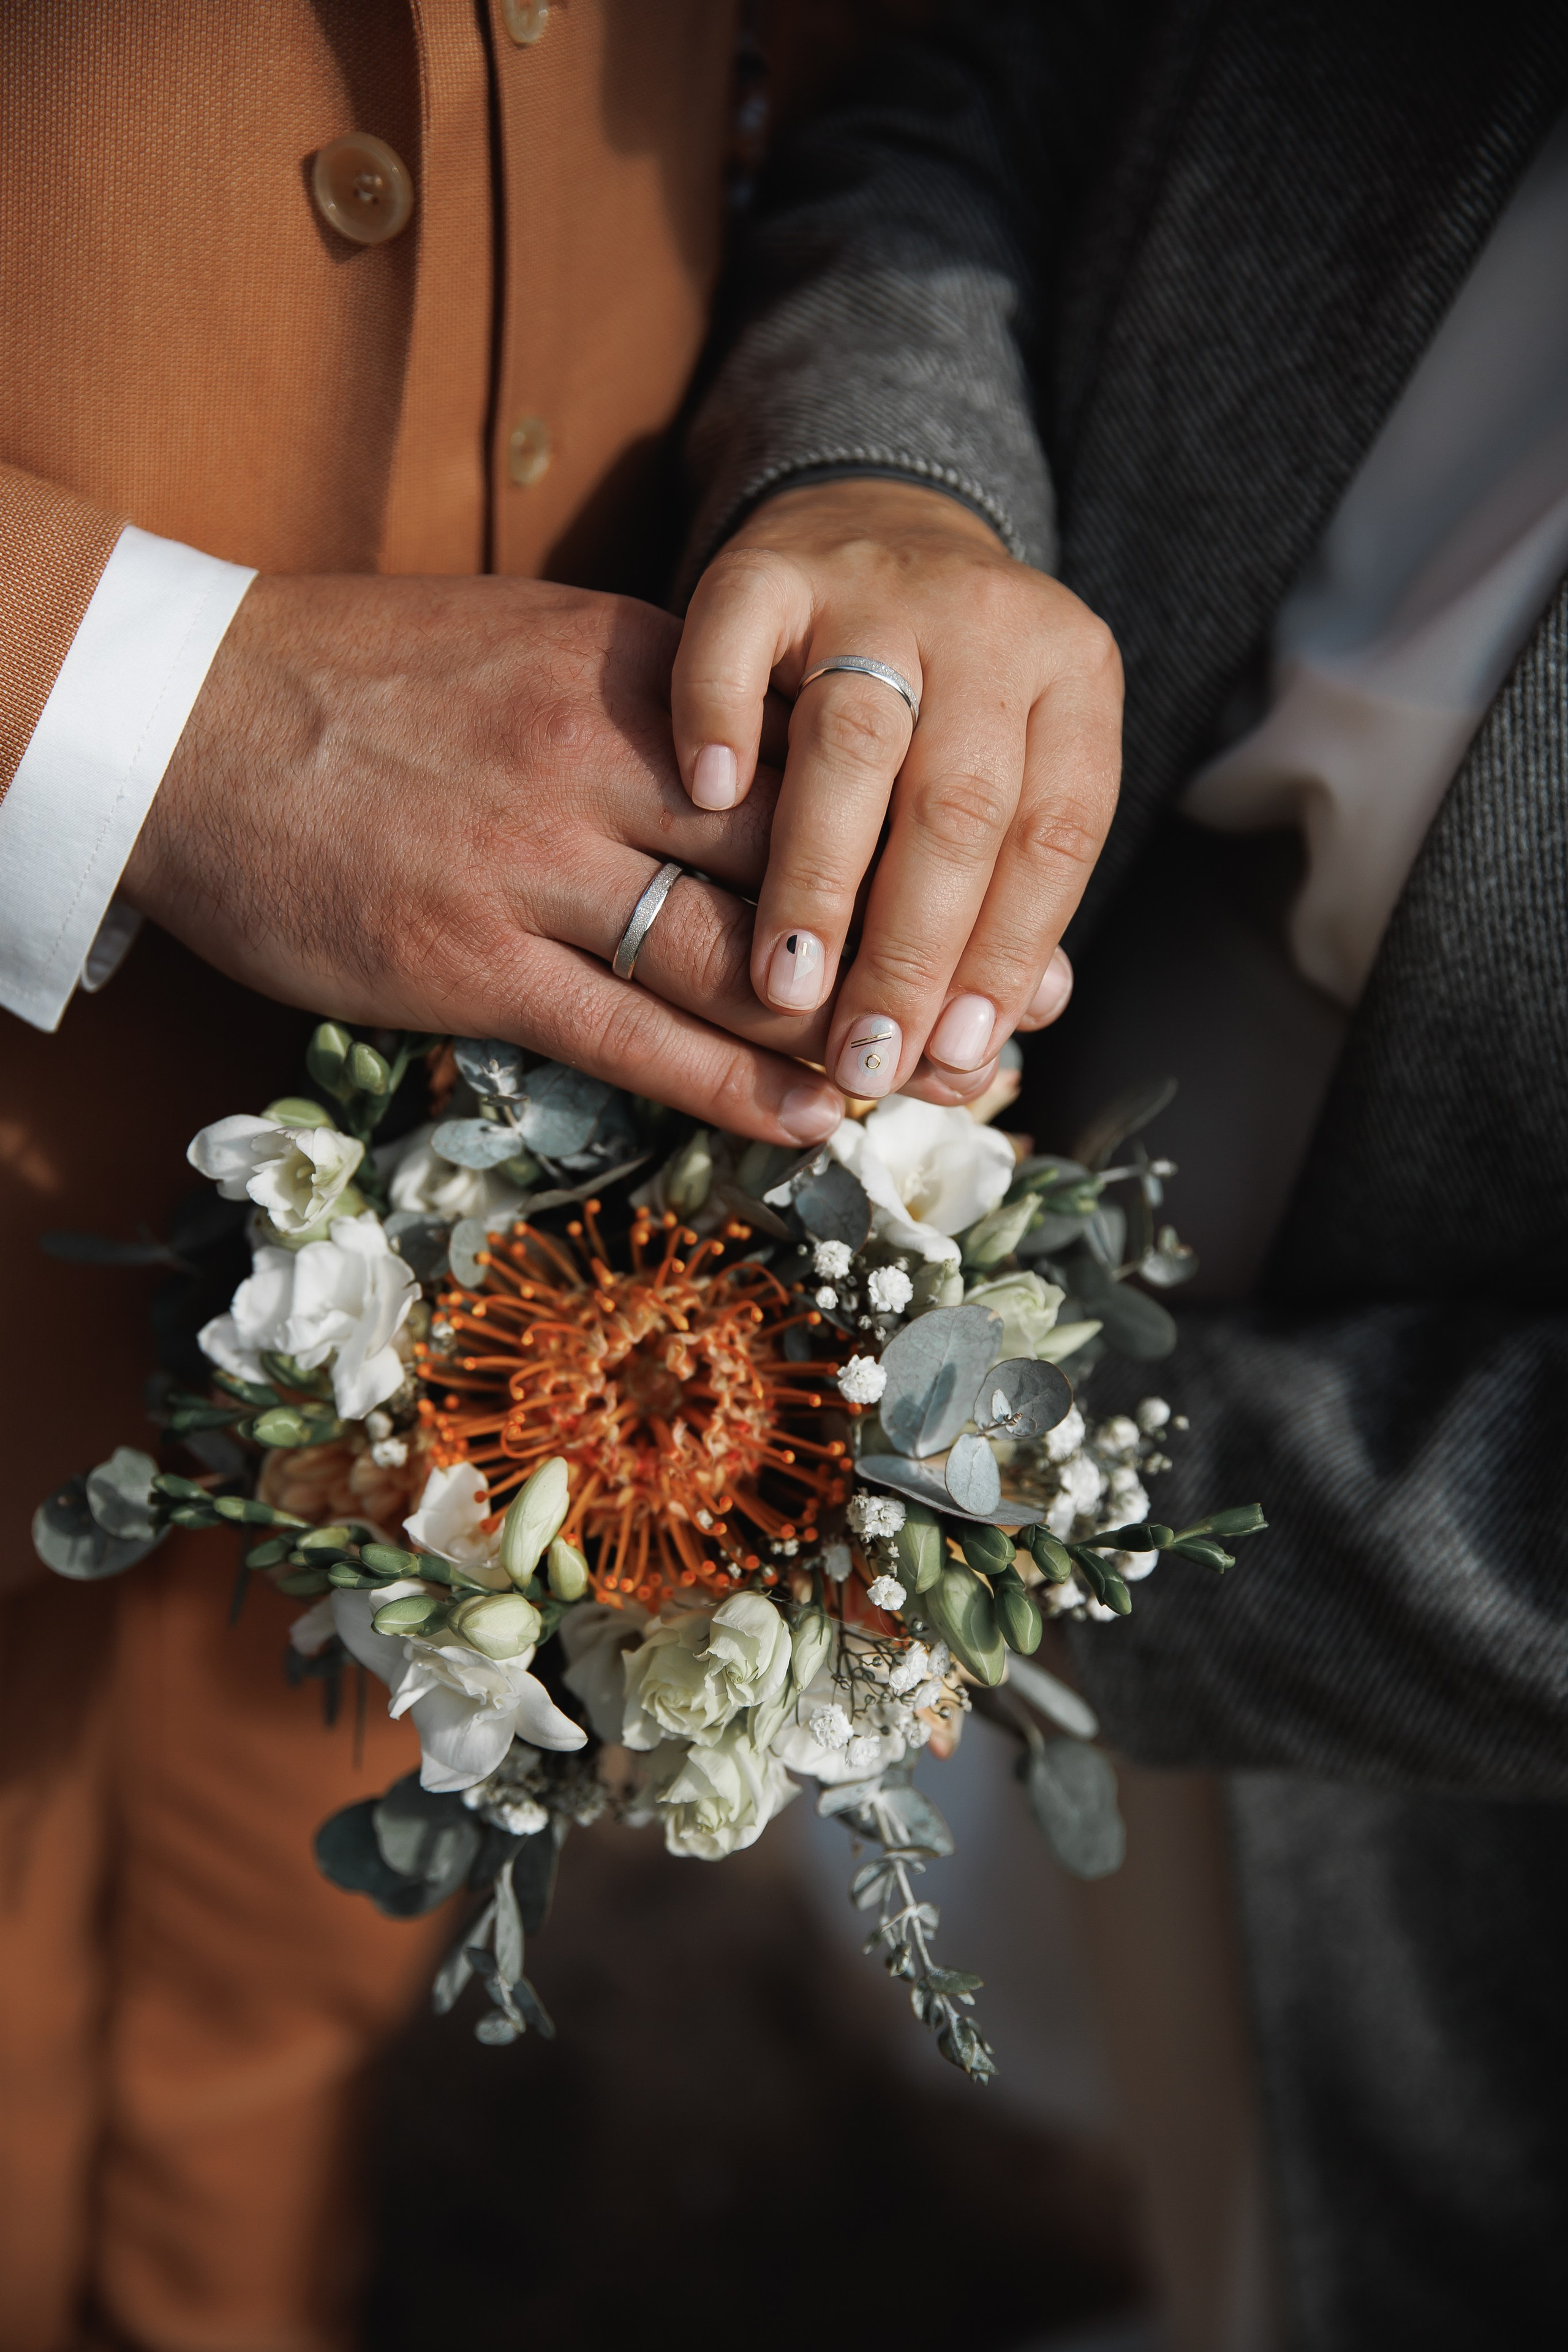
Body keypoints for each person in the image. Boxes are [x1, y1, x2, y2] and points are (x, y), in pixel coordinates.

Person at [0, 7, 1113, 2346]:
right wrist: (157, 710)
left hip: (484, 1289)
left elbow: (893, 88)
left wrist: (878, 474)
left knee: (281, 2040)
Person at [677, 4, 1568, 2344]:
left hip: (1408, 1595)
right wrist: (890, 479)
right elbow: (969, 88)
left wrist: (959, 1497)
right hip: (1051, 1062)